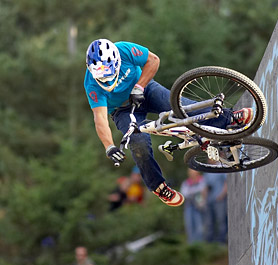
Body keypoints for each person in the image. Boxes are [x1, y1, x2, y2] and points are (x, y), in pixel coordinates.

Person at [84, 39, 253, 207]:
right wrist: (109, 146)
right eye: (101, 74)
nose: (106, 77)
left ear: (116, 60)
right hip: (123, 110)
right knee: (138, 142)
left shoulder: (124, 50)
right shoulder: (92, 84)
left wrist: (139, 87)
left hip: (145, 89)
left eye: (108, 71)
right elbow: (100, 118)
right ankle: (159, 187)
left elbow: (153, 60)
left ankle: (229, 118)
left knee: (181, 107)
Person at [180, 170, 207, 243]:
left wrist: (191, 191)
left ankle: (200, 244)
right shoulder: (186, 183)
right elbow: (184, 193)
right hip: (189, 206)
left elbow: (203, 189)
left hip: (199, 207)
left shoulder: (202, 180)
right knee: (189, 225)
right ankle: (192, 245)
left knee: (200, 226)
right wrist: (196, 191)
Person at [202, 173, 228, 243]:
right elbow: (205, 187)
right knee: (209, 222)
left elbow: (226, 183)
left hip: (219, 200)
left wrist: (222, 195)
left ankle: (222, 241)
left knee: (221, 220)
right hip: (210, 201)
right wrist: (204, 199)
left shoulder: (221, 169)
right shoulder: (207, 172)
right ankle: (210, 241)